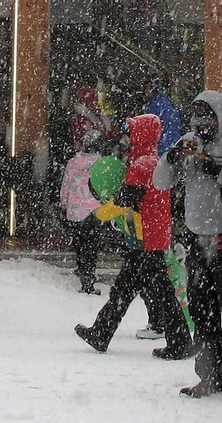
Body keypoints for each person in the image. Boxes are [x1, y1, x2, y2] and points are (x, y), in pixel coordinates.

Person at [154, 91, 222, 402]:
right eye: (198, 118)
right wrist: (173, 157)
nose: (203, 125)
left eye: (209, 118)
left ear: (221, 117)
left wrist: (217, 171)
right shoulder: (188, 142)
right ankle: (210, 377)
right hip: (198, 242)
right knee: (202, 313)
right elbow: (161, 181)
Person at [76, 114, 191, 359]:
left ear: (140, 135)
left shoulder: (141, 166)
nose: (125, 138)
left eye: (130, 133)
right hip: (152, 236)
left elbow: (125, 200)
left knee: (155, 291)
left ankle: (179, 342)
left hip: (147, 239)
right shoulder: (151, 161)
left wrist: (99, 215)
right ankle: (102, 332)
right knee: (127, 288)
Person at [60, 132, 103, 294]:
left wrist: (64, 203)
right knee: (91, 245)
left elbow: (66, 184)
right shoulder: (101, 163)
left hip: (75, 209)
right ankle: (89, 279)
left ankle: (81, 267)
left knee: (80, 242)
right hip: (95, 210)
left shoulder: (72, 163)